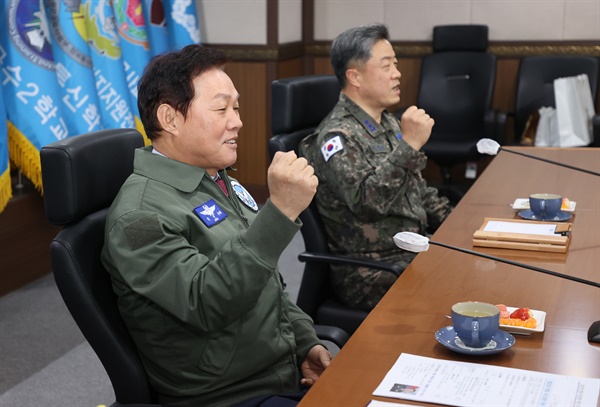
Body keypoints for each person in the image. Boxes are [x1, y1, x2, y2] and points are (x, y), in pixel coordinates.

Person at [101, 44, 332, 406]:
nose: (237, 120)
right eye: (222, 108)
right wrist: (279, 212)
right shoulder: (139, 217)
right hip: (228, 394)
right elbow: (207, 301)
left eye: (236, 107)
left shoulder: (215, 180)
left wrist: (306, 342)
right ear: (170, 119)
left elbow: (266, 280)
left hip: (277, 370)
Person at [299, 23, 452, 311]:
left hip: (410, 249)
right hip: (369, 269)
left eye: (395, 64)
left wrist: (457, 227)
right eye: (386, 65)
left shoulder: (388, 121)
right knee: (463, 286)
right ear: (354, 76)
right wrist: (409, 146)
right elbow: (368, 203)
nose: (397, 73)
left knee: (476, 264)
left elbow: (417, 189)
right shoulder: (337, 137)